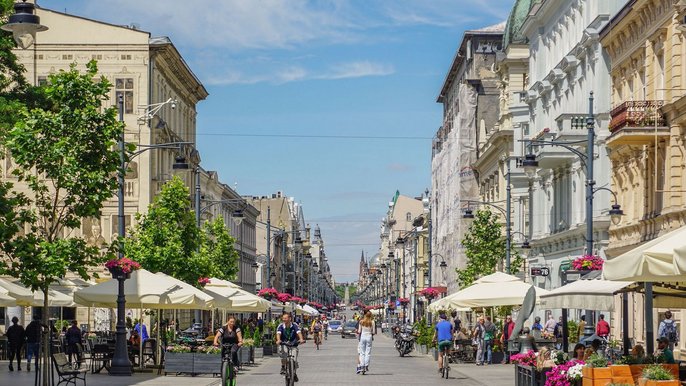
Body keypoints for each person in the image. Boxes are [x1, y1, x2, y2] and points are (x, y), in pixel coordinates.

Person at [275, 313, 304, 380]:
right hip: (283, 343)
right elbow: (278, 333)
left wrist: (301, 339)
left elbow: (298, 332)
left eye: (285, 318)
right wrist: (279, 340)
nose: (284, 319)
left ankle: (294, 373)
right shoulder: (281, 326)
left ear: (290, 318)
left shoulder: (294, 325)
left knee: (294, 360)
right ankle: (283, 367)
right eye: (283, 318)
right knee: (283, 355)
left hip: (293, 344)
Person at [356, 310, 375, 374]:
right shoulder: (372, 322)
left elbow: (359, 331)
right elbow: (373, 332)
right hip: (369, 337)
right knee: (368, 352)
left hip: (363, 337)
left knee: (362, 352)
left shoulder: (361, 321)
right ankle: (366, 365)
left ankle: (362, 366)